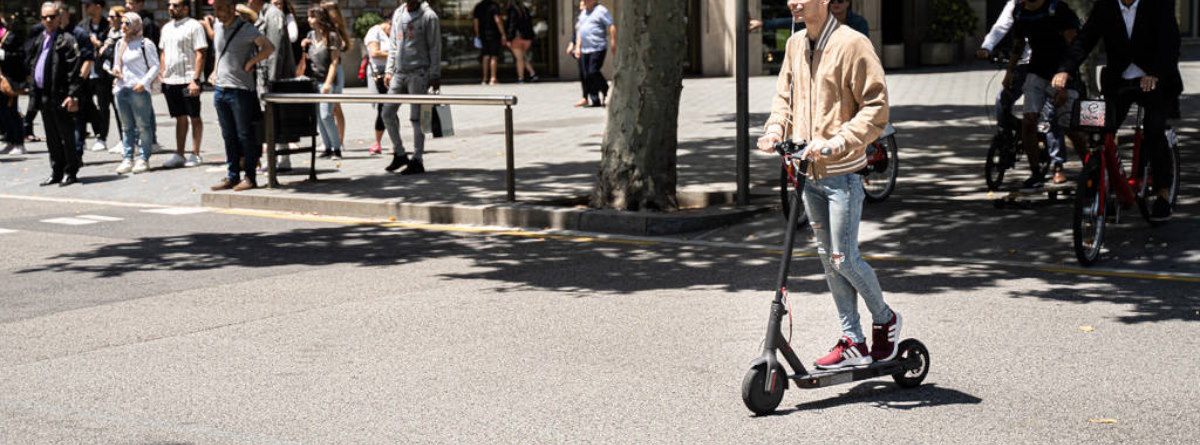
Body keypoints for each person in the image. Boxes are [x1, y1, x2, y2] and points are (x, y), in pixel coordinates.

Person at [757, 0, 900, 369]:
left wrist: (840, 140)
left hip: (843, 176)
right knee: (827, 259)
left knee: (844, 258)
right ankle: (852, 337)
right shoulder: (794, 44)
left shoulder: (853, 44)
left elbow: (876, 107)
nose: (793, 2)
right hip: (809, 175)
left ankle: (886, 319)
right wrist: (775, 129)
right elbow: (784, 97)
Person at [1052, 0, 1182, 221]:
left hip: (1155, 80)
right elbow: (1084, 40)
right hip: (1119, 82)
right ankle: (1103, 188)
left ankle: (1162, 192)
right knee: (1099, 132)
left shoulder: (1159, 4)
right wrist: (1065, 70)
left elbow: (1170, 44)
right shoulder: (1106, 6)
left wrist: (1155, 73)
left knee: (1153, 129)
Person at [1006, 0, 1086, 187]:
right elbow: (1018, 43)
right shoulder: (1020, 12)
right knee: (1028, 121)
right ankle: (1036, 173)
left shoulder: (1057, 10)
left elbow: (1074, 46)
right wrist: (1010, 71)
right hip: (1037, 72)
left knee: (1071, 129)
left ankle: (1091, 167)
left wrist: (1067, 80)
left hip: (1063, 73)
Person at [208, 0, 274, 192]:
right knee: (228, 135)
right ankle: (232, 175)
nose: (217, 12)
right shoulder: (217, 26)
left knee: (245, 134)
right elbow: (218, 53)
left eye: (220, 8)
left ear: (231, 8)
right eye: (215, 8)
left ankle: (250, 177)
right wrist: (215, 72)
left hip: (240, 90)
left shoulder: (247, 29)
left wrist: (251, 62)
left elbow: (269, 48)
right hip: (220, 89)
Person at [26, 1, 84, 186]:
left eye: (52, 16)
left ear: (59, 18)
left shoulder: (66, 39)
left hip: (60, 95)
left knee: (66, 135)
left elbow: (74, 70)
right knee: (51, 136)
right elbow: (34, 63)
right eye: (45, 17)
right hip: (44, 95)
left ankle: (71, 171)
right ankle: (56, 171)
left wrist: (72, 94)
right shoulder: (40, 39)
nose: (49, 20)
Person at [382, 0, 441, 175]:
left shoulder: (429, 16)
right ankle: (400, 153)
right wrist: (389, 70)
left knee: (417, 118)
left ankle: (417, 158)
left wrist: (435, 74)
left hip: (419, 73)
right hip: (399, 73)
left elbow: (435, 47)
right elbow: (393, 44)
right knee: (387, 113)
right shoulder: (399, 13)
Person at [157, 0, 207, 169]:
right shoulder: (166, 28)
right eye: (169, 5)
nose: (171, 8)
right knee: (179, 116)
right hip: (171, 80)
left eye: (175, 5)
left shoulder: (194, 26)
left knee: (194, 116)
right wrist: (163, 73)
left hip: (188, 79)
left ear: (186, 8)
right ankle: (179, 154)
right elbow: (162, 52)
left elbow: (200, 53)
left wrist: (196, 79)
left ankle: (195, 153)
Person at [248, 0, 295, 170]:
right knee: (272, 118)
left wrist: (271, 82)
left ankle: (278, 160)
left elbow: (274, 51)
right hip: (265, 76)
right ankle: (280, 158)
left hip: (274, 78)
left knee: (273, 117)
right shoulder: (264, 14)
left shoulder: (273, 14)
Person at [111, 12, 158, 174]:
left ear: (136, 24)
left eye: (127, 23)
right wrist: (116, 70)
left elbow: (155, 66)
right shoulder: (120, 43)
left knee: (143, 125)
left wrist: (143, 82)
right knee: (126, 127)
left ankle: (144, 158)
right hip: (121, 88)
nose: (123, 26)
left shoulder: (145, 44)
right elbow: (117, 63)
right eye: (122, 23)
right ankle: (127, 158)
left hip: (138, 89)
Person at [303, 5, 343, 160]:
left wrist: (328, 82)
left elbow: (334, 62)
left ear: (320, 18)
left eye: (312, 16)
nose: (309, 20)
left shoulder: (332, 36)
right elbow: (307, 61)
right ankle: (327, 147)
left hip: (327, 80)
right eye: (308, 16)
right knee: (319, 116)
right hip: (314, 81)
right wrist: (303, 48)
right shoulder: (310, 36)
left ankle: (337, 148)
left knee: (326, 115)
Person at [61, 2, 98, 159]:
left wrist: (79, 82)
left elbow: (88, 60)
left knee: (78, 120)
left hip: (78, 85)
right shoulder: (51, 34)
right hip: (59, 86)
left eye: (59, 14)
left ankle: (77, 152)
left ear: (67, 14)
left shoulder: (79, 33)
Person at [82, 0, 112, 153]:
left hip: (103, 73)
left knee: (103, 105)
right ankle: (88, 134)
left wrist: (98, 43)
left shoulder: (108, 25)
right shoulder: (83, 25)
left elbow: (111, 48)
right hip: (87, 72)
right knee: (86, 105)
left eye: (89, 5)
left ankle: (102, 137)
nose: (86, 8)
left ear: (98, 7)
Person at [573, 0, 614, 107]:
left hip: (598, 47)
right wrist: (578, 47)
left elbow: (611, 26)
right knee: (586, 75)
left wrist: (614, 43)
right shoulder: (583, 13)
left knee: (593, 71)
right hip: (584, 49)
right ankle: (594, 99)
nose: (585, 2)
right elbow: (580, 31)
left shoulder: (601, 11)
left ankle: (606, 91)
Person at [364, 15, 393, 155]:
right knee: (384, 107)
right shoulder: (374, 31)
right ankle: (379, 143)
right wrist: (393, 54)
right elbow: (374, 53)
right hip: (378, 75)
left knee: (389, 107)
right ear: (388, 23)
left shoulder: (392, 34)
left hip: (391, 74)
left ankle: (383, 143)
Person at [0, 16, 27, 156]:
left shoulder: (10, 37)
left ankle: (19, 142)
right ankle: (10, 141)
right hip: (1, 81)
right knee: (3, 112)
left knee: (12, 112)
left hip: (10, 81)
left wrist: (4, 55)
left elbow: (21, 56)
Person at [473, 0, 505, 85]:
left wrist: (477, 34)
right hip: (494, 34)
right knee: (494, 56)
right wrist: (503, 33)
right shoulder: (494, 6)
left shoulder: (478, 6)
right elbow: (497, 20)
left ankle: (484, 78)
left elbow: (476, 22)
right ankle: (493, 78)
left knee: (485, 56)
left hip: (483, 34)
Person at [506, 0, 538, 83]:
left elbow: (512, 25)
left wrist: (509, 38)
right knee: (522, 57)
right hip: (527, 38)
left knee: (519, 59)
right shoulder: (525, 10)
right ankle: (532, 74)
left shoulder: (513, 10)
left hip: (517, 38)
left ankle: (521, 78)